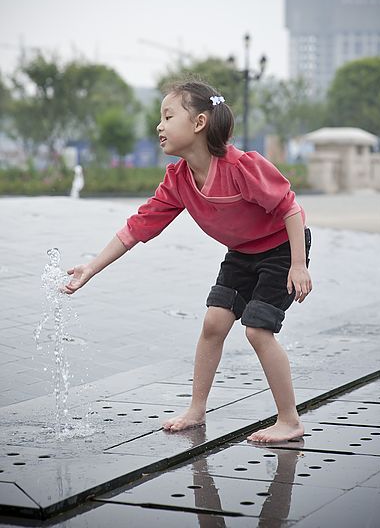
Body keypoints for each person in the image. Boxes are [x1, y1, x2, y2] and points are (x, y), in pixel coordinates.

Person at [64, 80, 313, 443]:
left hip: (281, 249)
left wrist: (298, 264)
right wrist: (91, 267)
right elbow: (137, 227)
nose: (159, 126)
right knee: (214, 321)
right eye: (160, 118)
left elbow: (290, 208)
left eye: (167, 116)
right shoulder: (178, 180)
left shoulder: (241, 166)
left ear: (198, 123)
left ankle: (289, 420)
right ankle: (196, 409)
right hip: (242, 253)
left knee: (258, 329)